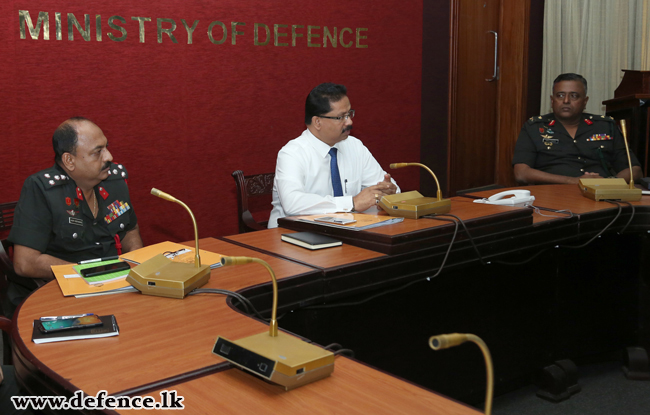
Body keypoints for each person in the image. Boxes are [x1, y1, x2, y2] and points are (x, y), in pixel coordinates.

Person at [7, 117, 143, 309]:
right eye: (98, 152)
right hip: (62, 292)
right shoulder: (42, 190)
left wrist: (135, 265)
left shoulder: (115, 181)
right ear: (69, 160)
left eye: (106, 147)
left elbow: (130, 229)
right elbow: (25, 263)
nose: (109, 157)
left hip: (117, 286)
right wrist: (87, 273)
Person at [269, 83, 399, 228]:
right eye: (341, 117)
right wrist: (351, 203)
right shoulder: (292, 153)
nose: (349, 121)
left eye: (349, 114)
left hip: (347, 231)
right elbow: (292, 203)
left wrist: (388, 193)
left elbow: (390, 190)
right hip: (293, 234)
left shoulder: (355, 146)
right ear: (317, 122)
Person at [512, 73, 642, 185]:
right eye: (560, 95)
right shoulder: (534, 127)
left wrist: (607, 184)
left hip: (602, 196)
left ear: (585, 101)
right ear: (552, 100)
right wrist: (573, 181)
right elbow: (521, 173)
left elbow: (634, 170)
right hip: (552, 195)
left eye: (574, 96)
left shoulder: (605, 126)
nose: (566, 101)